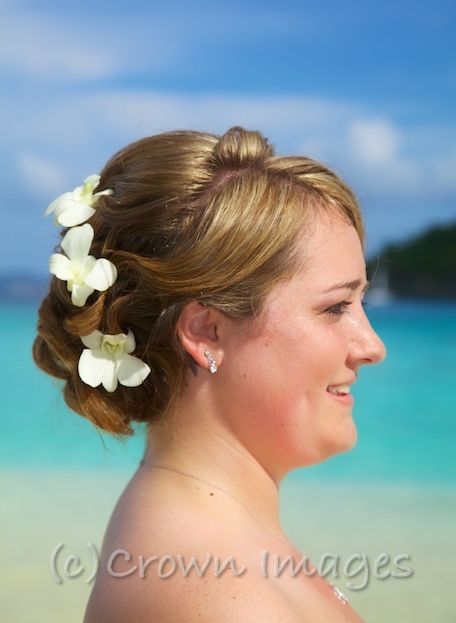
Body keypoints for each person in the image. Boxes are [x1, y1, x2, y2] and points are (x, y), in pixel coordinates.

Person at [34, 126, 386, 622]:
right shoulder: (225, 601)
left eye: (361, 302)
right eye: (335, 308)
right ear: (206, 332)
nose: (373, 347)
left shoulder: (183, 530)